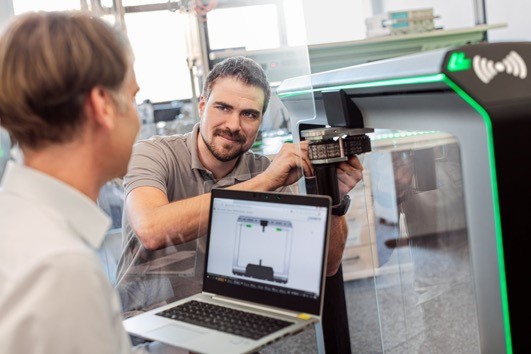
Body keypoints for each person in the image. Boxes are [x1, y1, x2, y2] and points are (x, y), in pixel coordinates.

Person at [116, 56, 363, 353]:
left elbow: (328, 266)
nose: (233, 125)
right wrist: (267, 182)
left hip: (229, 328)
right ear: (203, 105)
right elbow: (152, 228)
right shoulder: (153, 154)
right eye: (223, 108)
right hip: (146, 330)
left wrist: (333, 199)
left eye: (249, 114)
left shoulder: (266, 171)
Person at [0, 11, 184, 354]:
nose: (136, 122)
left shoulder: (19, 221)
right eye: (131, 99)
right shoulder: (61, 269)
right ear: (103, 105)